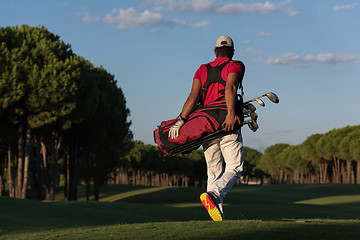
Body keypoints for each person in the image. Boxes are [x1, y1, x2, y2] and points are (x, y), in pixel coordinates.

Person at [168, 36, 245, 221]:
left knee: (213, 170)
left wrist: (180, 120)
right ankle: (214, 194)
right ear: (233, 52)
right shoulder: (236, 65)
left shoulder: (202, 69)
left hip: (206, 126)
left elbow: (193, 96)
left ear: (214, 51)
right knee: (235, 167)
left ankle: (217, 217)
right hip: (226, 124)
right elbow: (231, 87)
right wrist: (231, 113)